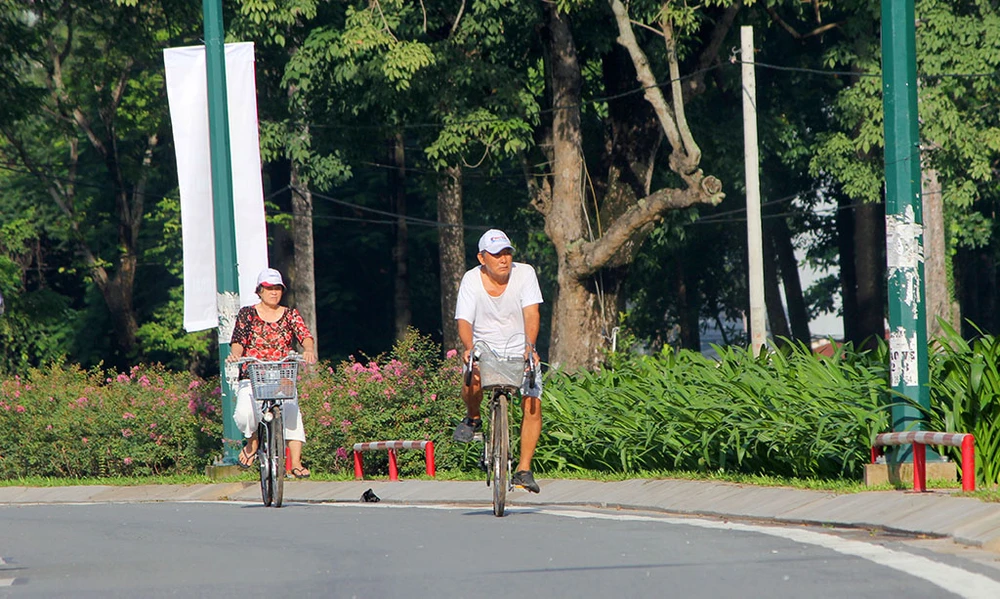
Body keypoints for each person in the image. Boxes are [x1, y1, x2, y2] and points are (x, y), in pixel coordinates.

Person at [453, 229, 544, 493]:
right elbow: (464, 321)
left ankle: (524, 469)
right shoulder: (471, 280)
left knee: (533, 398)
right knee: (472, 375)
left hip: (519, 347)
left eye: (507, 253)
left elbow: (532, 313)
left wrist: (530, 347)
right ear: (482, 258)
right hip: (484, 348)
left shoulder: (525, 274)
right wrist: (469, 348)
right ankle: (473, 418)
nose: (503, 259)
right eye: (496, 255)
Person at [227, 268, 317, 478]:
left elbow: (304, 335)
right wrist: (236, 355)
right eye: (268, 288)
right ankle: (252, 442)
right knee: (245, 412)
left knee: (292, 409)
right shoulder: (247, 314)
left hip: (282, 372)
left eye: (277, 288)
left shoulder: (290, 314)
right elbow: (238, 341)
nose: (273, 293)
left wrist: (309, 350)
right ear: (260, 291)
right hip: (253, 373)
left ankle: (295, 462)